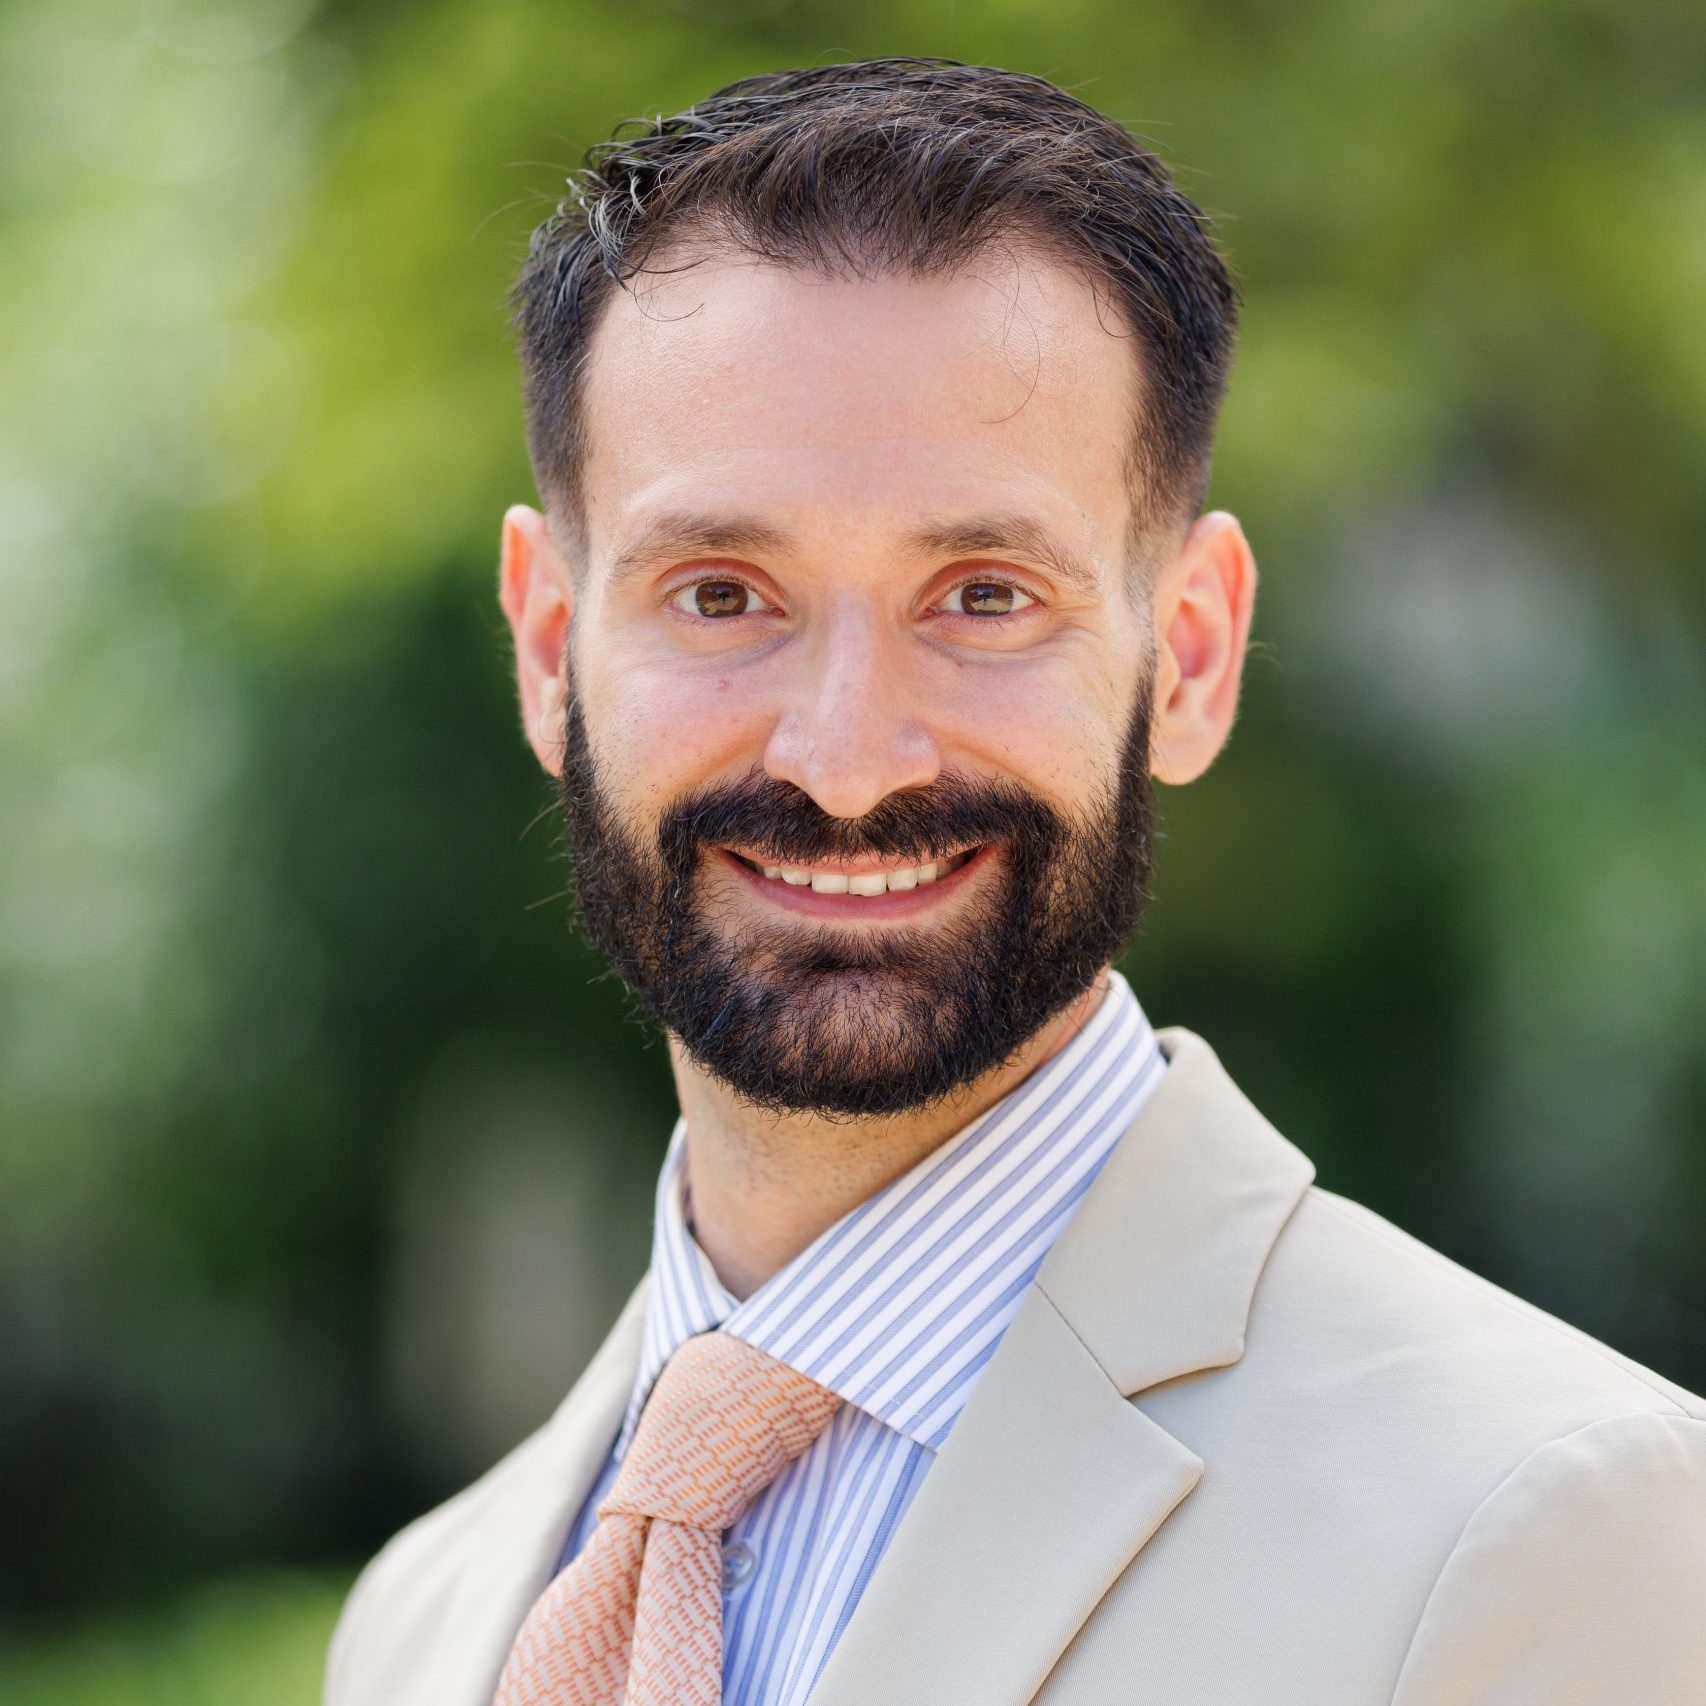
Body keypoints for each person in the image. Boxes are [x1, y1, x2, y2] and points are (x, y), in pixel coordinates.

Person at [324, 58, 1706, 1706]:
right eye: (718, 594)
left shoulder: (1557, 1521)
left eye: (981, 595)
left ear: (1185, 655)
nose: (845, 759)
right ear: (551, 646)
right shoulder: (427, 1615)